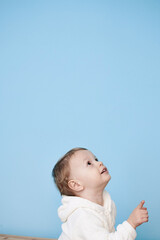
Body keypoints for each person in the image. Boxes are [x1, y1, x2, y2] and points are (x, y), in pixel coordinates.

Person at [52, 147, 149, 240]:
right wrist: (131, 224)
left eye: (96, 159)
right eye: (89, 163)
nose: (99, 162)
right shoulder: (83, 217)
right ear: (76, 184)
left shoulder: (107, 204)